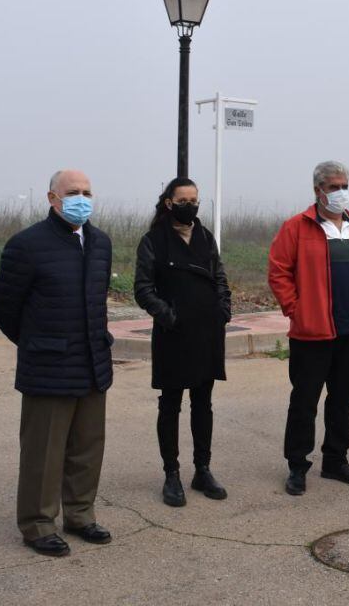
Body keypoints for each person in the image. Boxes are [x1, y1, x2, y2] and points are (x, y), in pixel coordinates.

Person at [0, 170, 115, 557]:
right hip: (48, 366)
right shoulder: (27, 245)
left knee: (87, 447)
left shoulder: (100, 242)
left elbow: (97, 301)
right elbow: (5, 308)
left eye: (87, 192)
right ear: (52, 198)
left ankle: (80, 515)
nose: (81, 198)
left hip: (92, 362)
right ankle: (38, 523)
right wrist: (37, 344)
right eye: (72, 192)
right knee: (44, 451)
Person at [268, 160, 349, 496]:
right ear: (318, 190)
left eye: (344, 185)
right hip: (312, 333)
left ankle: (335, 460)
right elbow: (278, 272)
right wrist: (297, 309)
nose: (340, 192)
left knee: (342, 400)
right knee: (304, 401)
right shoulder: (297, 227)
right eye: (334, 186)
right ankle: (297, 465)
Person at [134, 177, 231, 507]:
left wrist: (223, 311)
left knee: (203, 403)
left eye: (194, 199)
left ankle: (202, 470)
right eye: (183, 200)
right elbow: (143, 290)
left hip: (207, 333)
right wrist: (170, 316)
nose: (190, 205)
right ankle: (171, 474)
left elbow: (220, 277)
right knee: (171, 404)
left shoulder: (205, 237)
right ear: (169, 203)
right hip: (173, 335)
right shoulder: (153, 241)